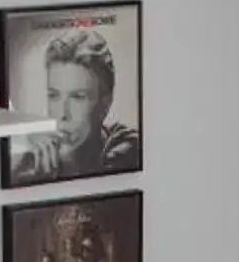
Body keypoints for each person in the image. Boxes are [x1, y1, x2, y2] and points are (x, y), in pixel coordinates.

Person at [7, 27, 140, 185]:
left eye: (78, 97)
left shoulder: (127, 147)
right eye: (54, 96)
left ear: (105, 104)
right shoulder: (31, 153)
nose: (63, 114)